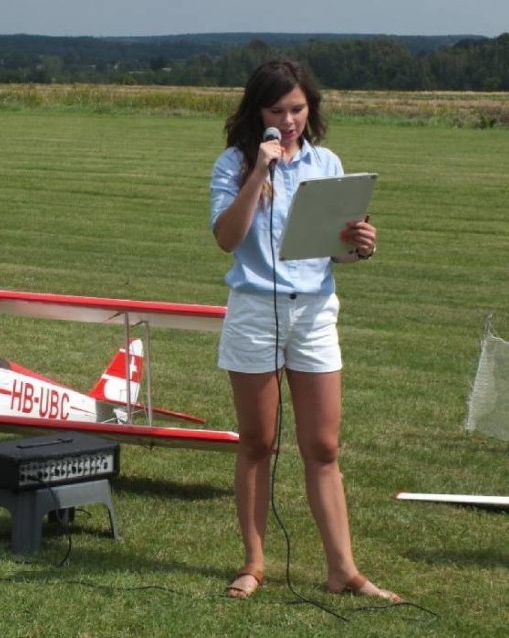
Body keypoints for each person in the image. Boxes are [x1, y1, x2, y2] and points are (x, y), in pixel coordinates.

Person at [209, 58, 400, 602]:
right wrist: (258, 174)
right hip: (254, 310)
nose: (289, 120)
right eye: (277, 110)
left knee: (322, 446)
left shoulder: (328, 161)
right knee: (258, 442)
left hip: (314, 311)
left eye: (297, 108)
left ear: (309, 107)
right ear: (257, 113)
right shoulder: (233, 163)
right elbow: (226, 238)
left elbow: (330, 249)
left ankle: (343, 570)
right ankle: (253, 564)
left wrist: (359, 245)